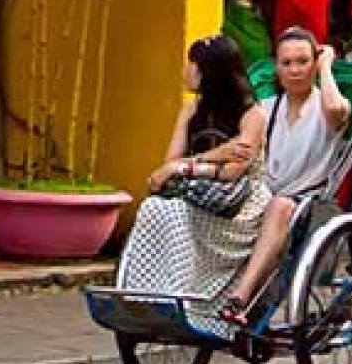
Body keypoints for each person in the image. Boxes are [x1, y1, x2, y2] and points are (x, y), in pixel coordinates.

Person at [114, 37, 271, 328]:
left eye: (192, 64)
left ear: (208, 73)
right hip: (198, 193)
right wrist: (216, 155)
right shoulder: (190, 110)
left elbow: (232, 172)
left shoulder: (253, 115)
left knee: (173, 213)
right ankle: (149, 295)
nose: (186, 70)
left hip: (238, 207)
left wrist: (189, 165)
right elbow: (170, 161)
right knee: (153, 208)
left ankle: (182, 298)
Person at [219, 29, 352, 323]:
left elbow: (335, 109)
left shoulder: (328, 105)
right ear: (276, 68)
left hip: (309, 207)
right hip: (262, 199)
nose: (294, 70)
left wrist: (327, 66)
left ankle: (240, 297)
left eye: (303, 62)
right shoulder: (266, 109)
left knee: (279, 205)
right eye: (287, 63)